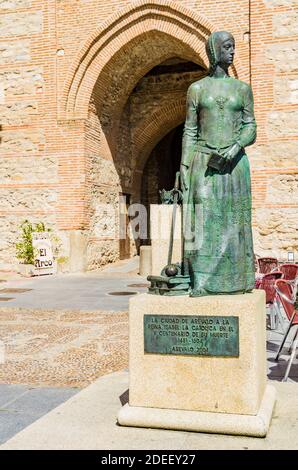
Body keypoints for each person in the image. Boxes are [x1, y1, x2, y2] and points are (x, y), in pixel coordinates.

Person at [180, 31, 256, 296]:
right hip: (203, 161)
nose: (232, 51)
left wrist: (235, 147)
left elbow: (251, 127)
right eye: (227, 47)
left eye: (233, 47)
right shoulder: (197, 89)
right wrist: (184, 167)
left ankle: (237, 281)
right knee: (202, 217)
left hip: (234, 164)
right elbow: (190, 131)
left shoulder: (242, 89)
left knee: (234, 221)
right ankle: (201, 280)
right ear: (214, 51)